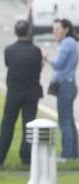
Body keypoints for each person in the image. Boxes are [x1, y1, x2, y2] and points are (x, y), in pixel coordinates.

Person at [0, 20, 45, 168]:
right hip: (31, 92)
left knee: (7, 125)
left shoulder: (9, 50)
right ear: (29, 32)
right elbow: (38, 68)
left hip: (14, 92)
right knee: (29, 125)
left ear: (16, 32)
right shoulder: (35, 51)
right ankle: (27, 157)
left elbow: (9, 64)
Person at [45, 19, 78, 161]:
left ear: (66, 29)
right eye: (54, 29)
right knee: (69, 120)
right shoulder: (71, 42)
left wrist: (46, 58)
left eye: (57, 29)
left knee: (64, 121)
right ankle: (74, 152)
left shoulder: (67, 43)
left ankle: (67, 154)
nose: (55, 32)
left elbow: (58, 65)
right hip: (69, 84)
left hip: (65, 85)